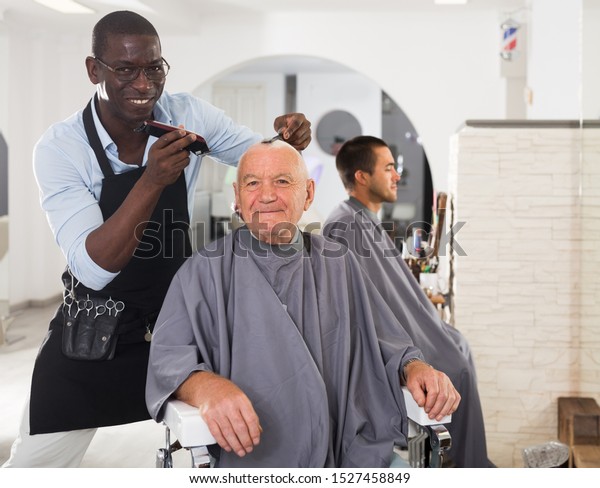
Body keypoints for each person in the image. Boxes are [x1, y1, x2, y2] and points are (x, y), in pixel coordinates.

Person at [2, 10, 311, 468]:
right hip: (95, 334)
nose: (143, 84)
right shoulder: (60, 148)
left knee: (225, 434)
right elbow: (94, 266)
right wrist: (150, 181)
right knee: (36, 466)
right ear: (94, 70)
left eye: (154, 68)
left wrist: (285, 140)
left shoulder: (188, 116)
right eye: (124, 70)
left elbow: (259, 157)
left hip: (175, 323)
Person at [145, 139, 460, 468]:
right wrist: (205, 388)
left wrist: (415, 368)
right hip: (255, 460)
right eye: (253, 183)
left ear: (308, 194)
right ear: (237, 198)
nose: (266, 195)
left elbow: (385, 340)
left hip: (349, 453)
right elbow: (168, 359)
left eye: (282, 181)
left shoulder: (340, 263)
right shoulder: (202, 272)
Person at [322, 135, 493, 468]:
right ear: (362, 176)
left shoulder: (366, 221)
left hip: (410, 329)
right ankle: (465, 467)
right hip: (386, 342)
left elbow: (398, 290)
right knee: (455, 367)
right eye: (388, 168)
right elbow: (369, 305)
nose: (397, 176)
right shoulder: (344, 226)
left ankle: (471, 463)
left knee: (460, 345)